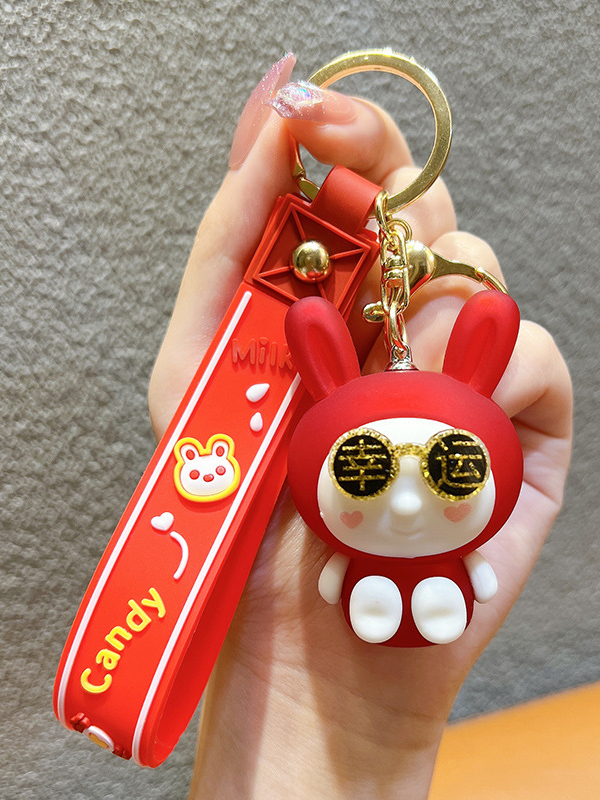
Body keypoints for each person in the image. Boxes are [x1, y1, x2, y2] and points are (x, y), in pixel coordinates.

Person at [148, 55, 573, 800]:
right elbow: (333, 571)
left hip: (430, 593)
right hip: (362, 589)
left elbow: (461, 563)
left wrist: (360, 741)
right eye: (365, 470)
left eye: (452, 470)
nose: (405, 506)